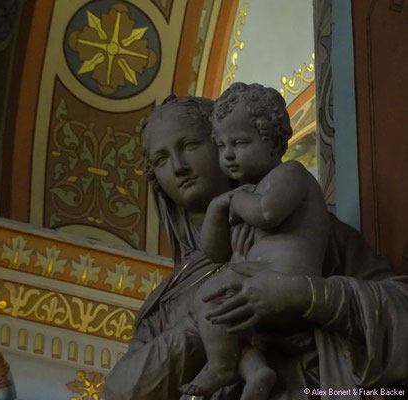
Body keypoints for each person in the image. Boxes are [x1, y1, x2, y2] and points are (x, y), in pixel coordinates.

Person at [104, 95, 408, 400]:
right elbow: (122, 391)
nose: (178, 167)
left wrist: (306, 295)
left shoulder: (302, 225)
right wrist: (205, 322)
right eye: (161, 159)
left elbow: (401, 310)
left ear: (223, 144)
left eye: (190, 145)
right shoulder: (168, 300)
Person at [181, 83, 330, 397]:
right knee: (212, 309)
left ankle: (222, 368)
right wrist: (217, 206)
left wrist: (233, 199)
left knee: (210, 298)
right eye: (221, 147)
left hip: (286, 281)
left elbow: (267, 213)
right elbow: (214, 250)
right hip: (255, 280)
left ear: (273, 143)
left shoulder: (290, 174)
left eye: (240, 142)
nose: (230, 155)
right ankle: (256, 371)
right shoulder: (244, 194)